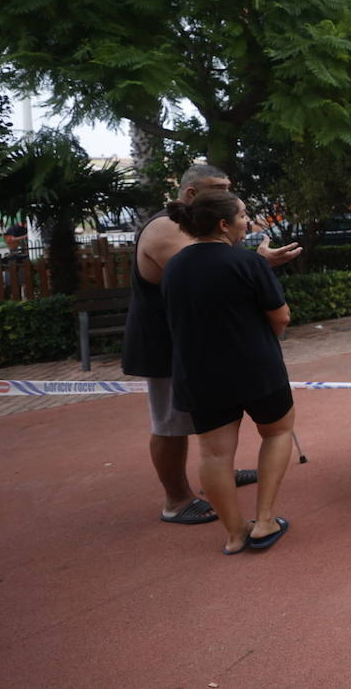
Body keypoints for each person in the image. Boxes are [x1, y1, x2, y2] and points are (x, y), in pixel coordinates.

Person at [123, 164, 301, 526]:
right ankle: (177, 499)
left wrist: (252, 264)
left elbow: (212, 269)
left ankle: (223, 487)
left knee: (213, 442)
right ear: (191, 195)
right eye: (218, 187)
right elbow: (209, 276)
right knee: (171, 426)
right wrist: (255, 265)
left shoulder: (192, 239)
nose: (228, 193)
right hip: (171, 349)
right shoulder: (165, 228)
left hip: (202, 348)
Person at [161, 190, 296, 554]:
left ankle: (235, 533)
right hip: (256, 368)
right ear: (224, 223)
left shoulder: (174, 265)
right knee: (278, 431)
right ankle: (265, 518)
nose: (247, 222)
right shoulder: (247, 263)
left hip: (200, 374)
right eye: (243, 215)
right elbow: (280, 317)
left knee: (214, 455)